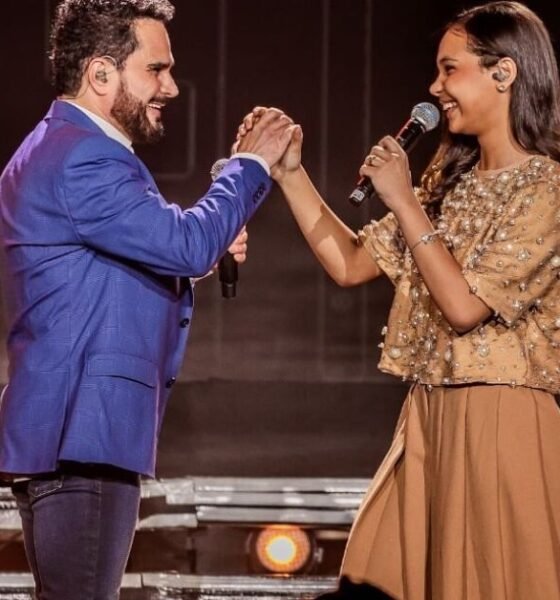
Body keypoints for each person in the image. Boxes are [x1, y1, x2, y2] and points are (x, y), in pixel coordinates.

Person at [247, 2, 560, 598]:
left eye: (450, 69)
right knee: (378, 573)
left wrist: (406, 201)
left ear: (504, 73)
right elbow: (350, 263)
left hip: (500, 421)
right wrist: (290, 174)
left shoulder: (546, 188)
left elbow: (465, 309)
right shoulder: (448, 186)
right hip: (427, 415)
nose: (435, 88)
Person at [0, 1, 297, 598]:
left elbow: (125, 265)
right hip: (83, 436)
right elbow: (185, 244)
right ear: (101, 73)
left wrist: (198, 252)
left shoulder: (63, 147)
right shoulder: (83, 155)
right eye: (156, 70)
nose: (171, 87)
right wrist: (249, 165)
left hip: (73, 437)